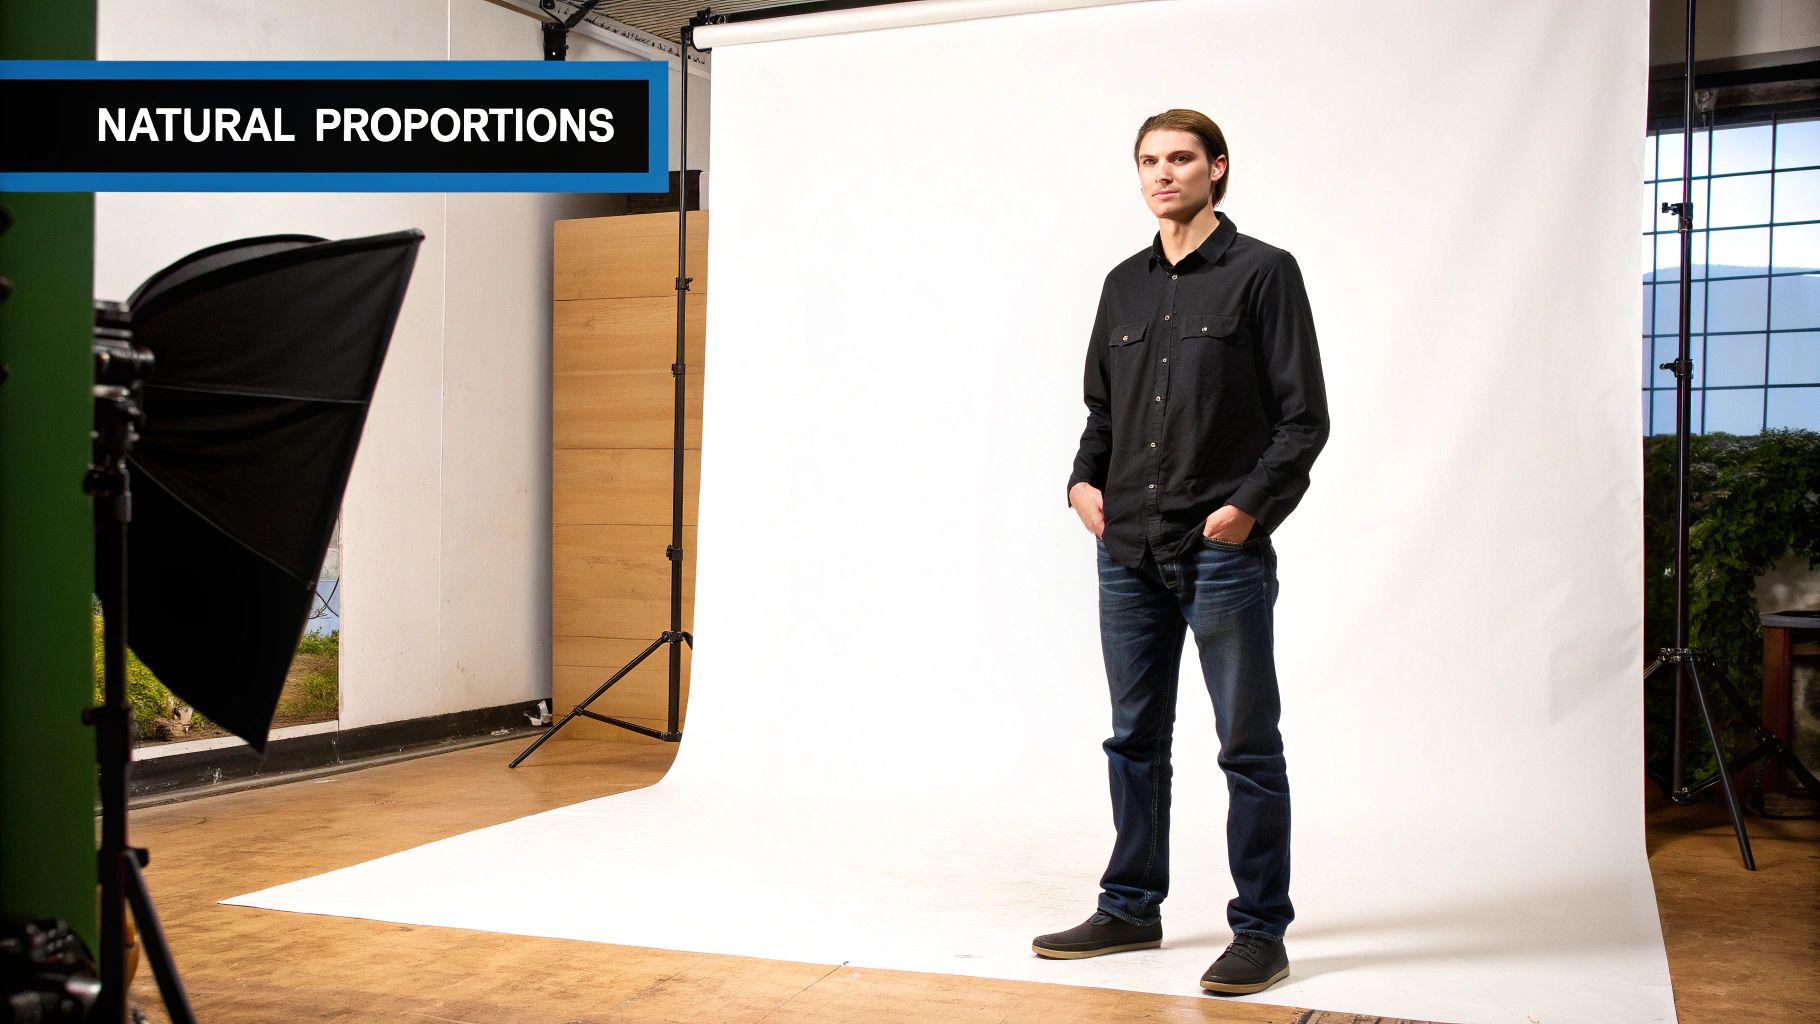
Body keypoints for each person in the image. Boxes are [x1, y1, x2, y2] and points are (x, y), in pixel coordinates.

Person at [1030, 108, 1330, 997]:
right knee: (1134, 739)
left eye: (1180, 159)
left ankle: (1260, 931)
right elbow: (1103, 411)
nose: (1162, 174)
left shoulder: (1264, 273)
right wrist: (1081, 484)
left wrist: (1248, 510)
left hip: (1220, 550)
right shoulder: (1122, 285)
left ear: (1217, 168)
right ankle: (1130, 906)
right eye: (1149, 160)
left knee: (1247, 745)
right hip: (1126, 546)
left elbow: (1304, 418)